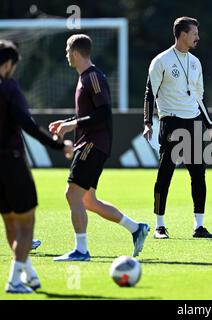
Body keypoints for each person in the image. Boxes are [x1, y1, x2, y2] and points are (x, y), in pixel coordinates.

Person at [50, 34, 149, 261]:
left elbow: (103, 114)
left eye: (68, 51)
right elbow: (89, 113)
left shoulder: (92, 77)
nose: (66, 55)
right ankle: (136, 229)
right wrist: (67, 122)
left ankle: (82, 251)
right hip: (93, 144)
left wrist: (71, 125)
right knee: (87, 200)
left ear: (75, 52)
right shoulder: (86, 77)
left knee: (72, 194)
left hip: (92, 145)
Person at [0, 40, 73, 293]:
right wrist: (58, 145)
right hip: (11, 162)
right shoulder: (9, 88)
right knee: (26, 224)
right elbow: (27, 124)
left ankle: (27, 272)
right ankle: (13, 281)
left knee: (10, 222)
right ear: (8, 63)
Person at [143, 17, 212, 239]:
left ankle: (199, 226)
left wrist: (211, 126)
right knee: (165, 174)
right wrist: (148, 122)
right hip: (171, 122)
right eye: (194, 33)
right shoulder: (161, 61)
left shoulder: (196, 62)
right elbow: (150, 93)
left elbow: (199, 98)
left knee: (199, 175)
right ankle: (160, 226)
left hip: (194, 122)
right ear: (182, 34)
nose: (198, 37)